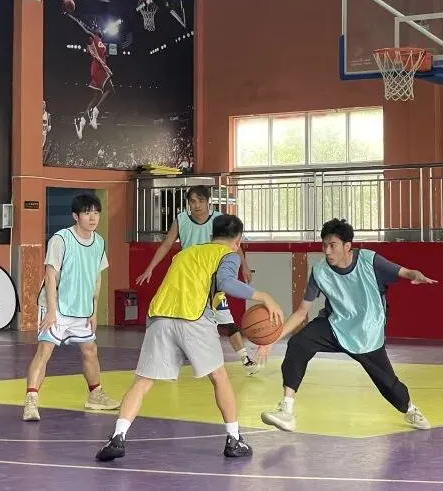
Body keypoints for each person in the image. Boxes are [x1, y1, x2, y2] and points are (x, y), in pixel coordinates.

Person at [96, 214, 284, 462]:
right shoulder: (228, 255)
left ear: (211, 234)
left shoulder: (184, 253)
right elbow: (227, 282)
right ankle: (234, 439)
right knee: (220, 378)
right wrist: (264, 296)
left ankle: (117, 436)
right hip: (193, 319)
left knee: (142, 382)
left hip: (160, 317)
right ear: (238, 240)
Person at [257, 218, 434, 433]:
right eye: (324, 245)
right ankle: (286, 410)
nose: (327, 251)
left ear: (347, 246)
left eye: (333, 245)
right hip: (335, 325)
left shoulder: (369, 260)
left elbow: (404, 272)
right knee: (298, 344)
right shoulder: (320, 271)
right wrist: (272, 340)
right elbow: (301, 312)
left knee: (387, 382)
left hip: (367, 331)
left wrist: (415, 275)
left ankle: (409, 409)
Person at [136, 185, 259, 375]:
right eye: (192, 201)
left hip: (209, 280)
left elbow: (234, 244)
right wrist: (149, 268)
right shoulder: (182, 220)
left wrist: (244, 265)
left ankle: (245, 358)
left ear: (208, 202)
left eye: (200, 201)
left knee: (226, 318)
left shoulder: (218, 220)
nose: (196, 205)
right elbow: (167, 244)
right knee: (184, 320)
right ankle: (178, 358)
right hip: (188, 280)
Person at [23, 193, 120, 421]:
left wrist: (93, 310)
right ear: (76, 216)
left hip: (82, 308)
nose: (93, 218)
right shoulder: (61, 239)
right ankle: (31, 401)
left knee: (90, 350)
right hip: (57, 306)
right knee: (45, 351)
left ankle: (95, 395)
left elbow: (96, 277)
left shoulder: (99, 242)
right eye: (87, 213)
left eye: (96, 213)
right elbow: (50, 274)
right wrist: (51, 311)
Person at [64, 10, 114, 136]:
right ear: (95, 30)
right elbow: (82, 28)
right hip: (98, 68)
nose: (100, 29)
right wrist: (70, 15)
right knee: (110, 89)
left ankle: (81, 120)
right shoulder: (91, 38)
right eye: (98, 28)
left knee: (97, 96)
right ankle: (95, 111)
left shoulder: (100, 41)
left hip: (99, 68)